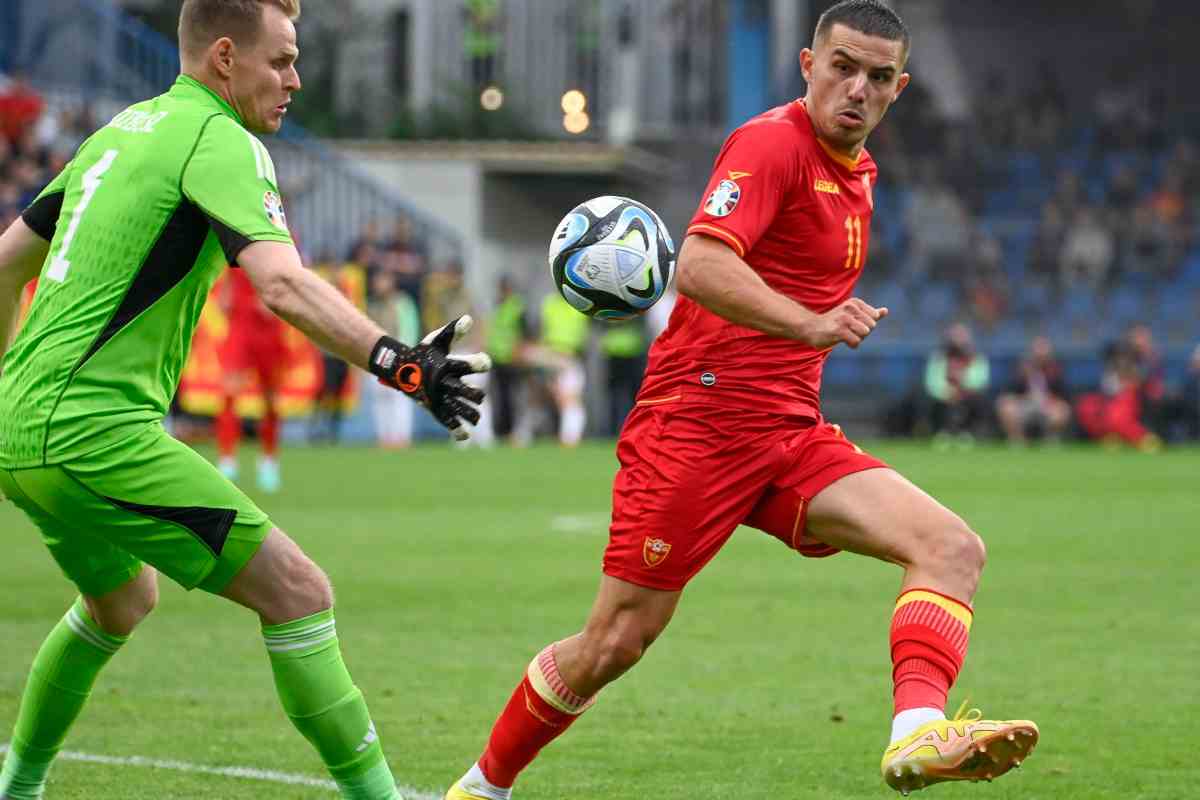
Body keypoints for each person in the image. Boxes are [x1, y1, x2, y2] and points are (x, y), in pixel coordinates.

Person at [445, 4, 1036, 799]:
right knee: (616, 641)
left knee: (951, 548)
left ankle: (917, 732)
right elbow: (698, 264)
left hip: (788, 433)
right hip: (697, 427)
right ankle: (481, 787)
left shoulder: (858, 172)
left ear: (899, 89)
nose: (857, 89)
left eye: (877, 77)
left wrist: (805, 341)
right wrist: (810, 324)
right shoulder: (772, 145)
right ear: (808, 65)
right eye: (842, 67)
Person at [0, 2, 489, 799]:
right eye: (281, 60)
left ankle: (16, 788)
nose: (294, 80)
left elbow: (5, 265)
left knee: (121, 599)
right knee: (299, 593)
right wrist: (401, 364)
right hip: (89, 433)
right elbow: (282, 284)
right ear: (225, 57)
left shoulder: (118, 132)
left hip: (19, 428)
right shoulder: (219, 138)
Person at [215, 266, 288, 490]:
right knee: (229, 394)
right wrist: (225, 296)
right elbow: (227, 275)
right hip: (241, 325)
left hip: (269, 331)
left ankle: (269, 460)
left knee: (271, 402)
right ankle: (227, 460)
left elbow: (290, 276)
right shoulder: (233, 242)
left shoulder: (287, 243)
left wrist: (276, 301)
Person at [923, 322, 990, 446]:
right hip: (944, 397)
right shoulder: (939, 358)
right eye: (955, 337)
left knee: (978, 401)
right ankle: (942, 432)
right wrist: (947, 391)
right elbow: (932, 382)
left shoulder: (976, 358)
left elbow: (980, 381)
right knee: (931, 401)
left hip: (968, 396)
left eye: (961, 337)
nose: (958, 342)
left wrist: (962, 386)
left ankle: (968, 433)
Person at [995, 335, 1070, 444]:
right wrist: (1022, 389)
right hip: (1025, 403)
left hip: (1047, 404)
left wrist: (1050, 400)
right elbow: (1008, 392)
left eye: (1043, 351)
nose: (1040, 354)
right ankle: (1017, 440)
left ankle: (1051, 439)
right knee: (1005, 406)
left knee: (1062, 410)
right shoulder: (1021, 368)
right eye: (1038, 350)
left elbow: (1063, 395)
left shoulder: (1055, 370)